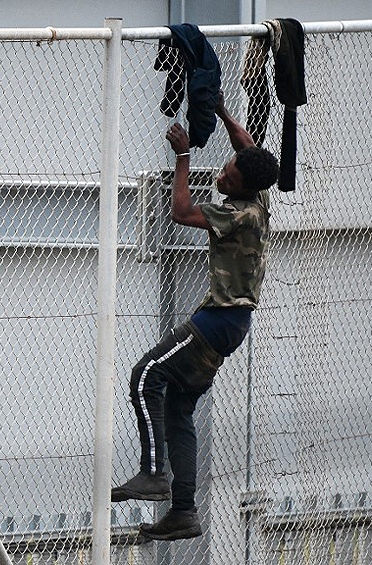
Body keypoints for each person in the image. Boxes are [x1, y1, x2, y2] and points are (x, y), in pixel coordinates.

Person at [111, 94, 279, 540]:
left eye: (228, 177)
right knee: (178, 407)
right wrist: (223, 112)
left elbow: (181, 210)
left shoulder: (238, 213)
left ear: (243, 188)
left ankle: (152, 473)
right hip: (230, 326)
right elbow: (245, 148)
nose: (221, 176)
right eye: (224, 168)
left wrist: (184, 157)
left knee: (145, 372)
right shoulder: (258, 199)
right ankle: (183, 512)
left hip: (217, 321)